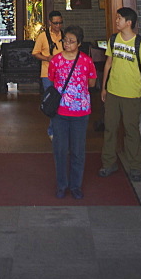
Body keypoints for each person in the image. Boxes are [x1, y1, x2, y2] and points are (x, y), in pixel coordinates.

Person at [98, 7, 141, 183]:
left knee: (131, 130)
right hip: (113, 92)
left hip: (132, 94)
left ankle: (135, 166)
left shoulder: (140, 44)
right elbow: (108, 64)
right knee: (110, 128)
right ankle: (108, 163)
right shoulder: (113, 40)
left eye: (119, 18)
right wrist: (104, 87)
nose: (116, 21)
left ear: (129, 22)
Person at [48, 24, 97, 199]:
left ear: (79, 43)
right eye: (65, 40)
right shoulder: (56, 60)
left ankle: (76, 185)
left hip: (81, 113)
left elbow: (92, 83)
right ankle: (62, 185)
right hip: (60, 112)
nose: (67, 44)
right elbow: (52, 80)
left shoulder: (86, 61)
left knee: (77, 151)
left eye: (71, 41)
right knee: (60, 150)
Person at [32, 10, 64, 138]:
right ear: (50, 22)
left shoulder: (65, 35)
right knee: (52, 101)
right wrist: (47, 58)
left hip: (62, 73)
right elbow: (35, 53)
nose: (58, 26)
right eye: (55, 23)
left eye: (60, 23)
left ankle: (60, 128)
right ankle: (52, 130)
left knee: (62, 101)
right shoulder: (43, 36)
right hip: (47, 73)